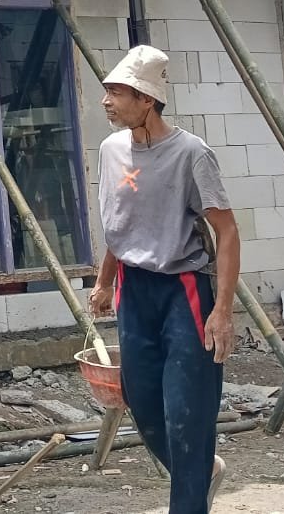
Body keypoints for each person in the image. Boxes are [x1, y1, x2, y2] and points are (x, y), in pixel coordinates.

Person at [88, 46, 241, 514]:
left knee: (186, 413)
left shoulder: (192, 154)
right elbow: (120, 223)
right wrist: (102, 282)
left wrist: (223, 312)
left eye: (117, 92)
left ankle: (187, 504)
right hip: (133, 289)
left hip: (185, 290)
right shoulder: (111, 151)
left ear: (147, 100)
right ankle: (202, 473)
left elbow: (227, 229)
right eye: (107, 91)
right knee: (146, 407)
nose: (106, 101)